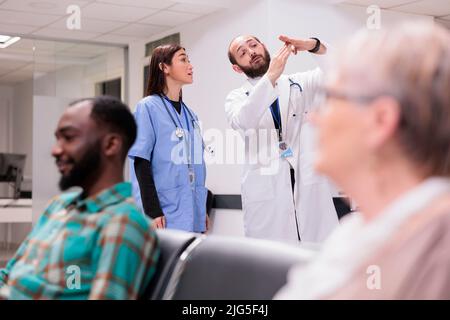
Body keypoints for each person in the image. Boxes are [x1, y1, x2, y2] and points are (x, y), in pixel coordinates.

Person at [275, 21, 450, 299]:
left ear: (380, 120)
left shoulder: (437, 255)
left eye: (329, 98)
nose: (313, 117)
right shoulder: (358, 232)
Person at [0, 96, 159, 300]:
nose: (55, 150)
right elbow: (9, 276)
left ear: (111, 145)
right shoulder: (59, 206)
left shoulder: (123, 223)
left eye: (69, 138)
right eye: (58, 139)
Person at [225, 35, 339, 244]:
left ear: (264, 47)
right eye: (242, 53)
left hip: (308, 185)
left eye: (253, 45)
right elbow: (244, 120)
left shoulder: (300, 83)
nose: (251, 52)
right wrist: (270, 77)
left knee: (317, 257)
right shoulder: (237, 98)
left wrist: (313, 46)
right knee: (272, 266)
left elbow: (340, 70)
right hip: (268, 195)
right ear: (237, 68)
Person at [128, 44, 209, 233]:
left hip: (192, 212)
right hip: (162, 212)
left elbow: (197, 166)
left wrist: (201, 209)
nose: (190, 65)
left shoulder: (191, 115)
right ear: (164, 67)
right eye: (183, 59)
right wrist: (152, 211)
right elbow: (141, 161)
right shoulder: (148, 108)